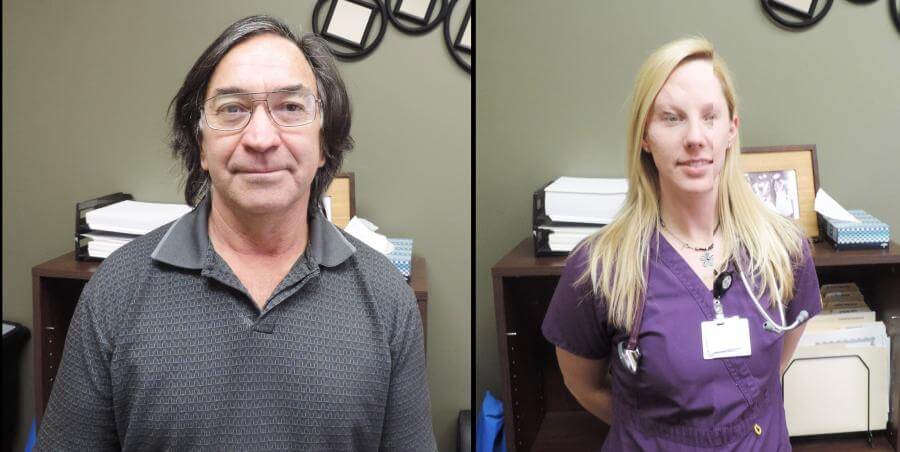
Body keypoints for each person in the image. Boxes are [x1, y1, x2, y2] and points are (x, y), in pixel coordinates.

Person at [37, 15, 436, 451]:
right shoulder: (114, 292)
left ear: (324, 143)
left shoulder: (388, 300)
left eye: (290, 107)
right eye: (232, 109)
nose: (261, 138)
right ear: (200, 145)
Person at [542, 37, 822, 451]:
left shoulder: (784, 251)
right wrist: (662, 433)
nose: (695, 137)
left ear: (731, 130)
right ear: (645, 136)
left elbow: (773, 367)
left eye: (710, 117)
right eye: (672, 118)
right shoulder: (599, 267)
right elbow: (581, 384)